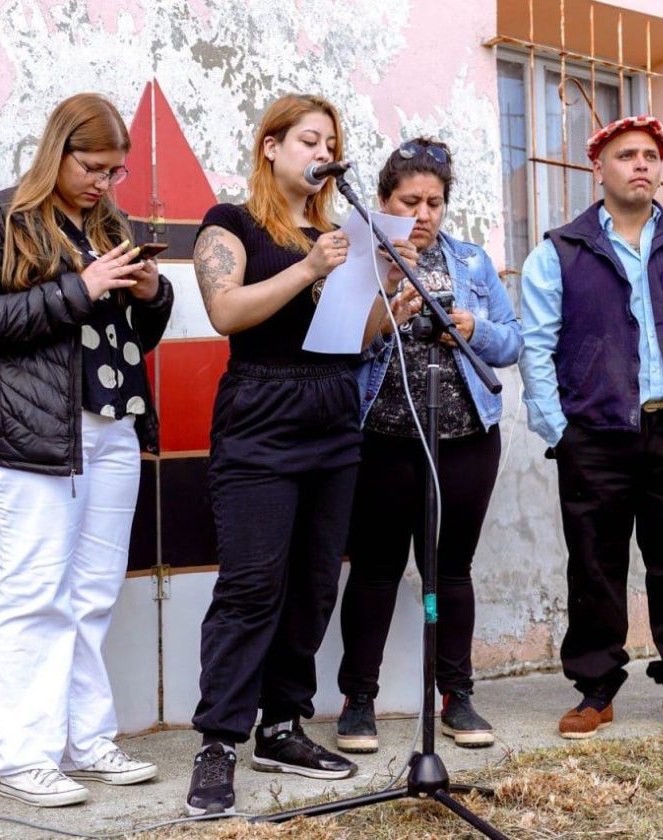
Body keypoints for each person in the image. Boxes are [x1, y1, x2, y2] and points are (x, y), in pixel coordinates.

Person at [185, 93, 417, 816]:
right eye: (309, 139)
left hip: (331, 411)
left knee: (316, 582)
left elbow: (347, 338)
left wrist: (390, 311)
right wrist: (311, 265)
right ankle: (219, 739)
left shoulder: (337, 233)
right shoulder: (231, 223)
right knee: (253, 585)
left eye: (331, 142)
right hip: (260, 413)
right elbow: (227, 312)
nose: (322, 152)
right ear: (272, 148)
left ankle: (281, 725)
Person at [0, 93, 173, 806]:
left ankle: (84, 738)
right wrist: (79, 288)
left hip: (111, 427)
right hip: (25, 433)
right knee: (32, 592)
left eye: (116, 171)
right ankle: (22, 756)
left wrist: (150, 291)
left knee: (93, 592)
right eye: (94, 167)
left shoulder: (106, 223)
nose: (105, 183)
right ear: (59, 150)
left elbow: (134, 337)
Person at [518, 115, 663, 739]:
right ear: (599, 168)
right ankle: (595, 689)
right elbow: (537, 346)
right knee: (594, 561)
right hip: (595, 434)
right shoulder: (560, 249)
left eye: (649, 155)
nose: (640, 164)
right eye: (625, 155)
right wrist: (557, 428)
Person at [335, 138, 522, 753]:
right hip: (385, 439)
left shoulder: (471, 263)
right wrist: (385, 298)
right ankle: (358, 700)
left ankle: (457, 697)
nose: (423, 212)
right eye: (409, 200)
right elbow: (340, 344)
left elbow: (513, 342)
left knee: (452, 570)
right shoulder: (359, 261)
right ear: (384, 201)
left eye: (434, 202)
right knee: (376, 571)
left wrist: (473, 328)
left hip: (465, 439)